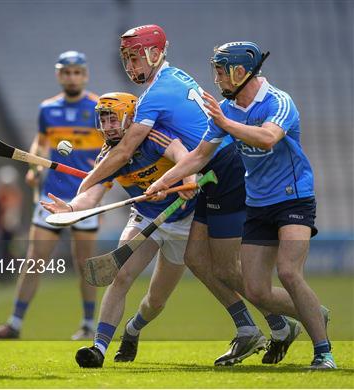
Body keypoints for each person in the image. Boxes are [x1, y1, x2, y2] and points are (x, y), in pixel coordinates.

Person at [78, 25, 297, 366]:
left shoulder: (153, 98)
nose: (130, 66)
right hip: (214, 171)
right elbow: (124, 156)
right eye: (126, 59)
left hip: (222, 170)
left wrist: (85, 184)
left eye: (135, 57)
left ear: (154, 54)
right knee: (204, 263)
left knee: (226, 269)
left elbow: (127, 153)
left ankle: (297, 317)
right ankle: (260, 327)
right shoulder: (174, 78)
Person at [147, 41, 335, 370]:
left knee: (289, 272)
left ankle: (323, 353)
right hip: (258, 204)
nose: (217, 79)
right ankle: (312, 311)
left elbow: (267, 138)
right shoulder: (227, 110)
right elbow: (199, 155)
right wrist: (164, 182)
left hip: (293, 198)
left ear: (239, 72)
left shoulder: (278, 101)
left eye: (220, 72)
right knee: (255, 289)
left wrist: (225, 122)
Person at [41, 92, 197, 368]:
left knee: (156, 302)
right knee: (121, 275)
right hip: (145, 219)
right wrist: (73, 209)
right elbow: (92, 193)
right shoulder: (109, 155)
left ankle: (134, 328)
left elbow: (181, 154)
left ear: (131, 119)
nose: (109, 125)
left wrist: (180, 178)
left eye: (115, 118)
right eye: (104, 119)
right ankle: (99, 348)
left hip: (181, 221)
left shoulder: (153, 136)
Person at [0, 51, 103, 341]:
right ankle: (13, 323)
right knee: (34, 259)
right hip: (52, 195)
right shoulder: (47, 109)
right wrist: (34, 164)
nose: (72, 77)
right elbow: (40, 142)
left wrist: (103, 180)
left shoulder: (99, 107)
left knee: (84, 264)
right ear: (59, 75)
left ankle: (88, 324)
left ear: (84, 75)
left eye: (77, 72)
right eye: (66, 72)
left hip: (85, 198)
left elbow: (110, 147)